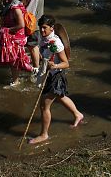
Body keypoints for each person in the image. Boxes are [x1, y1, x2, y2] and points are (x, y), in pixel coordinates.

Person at [28, 15, 84, 144]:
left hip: (56, 76)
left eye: (44, 28)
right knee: (60, 97)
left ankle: (44, 135)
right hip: (48, 74)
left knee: (43, 106)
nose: (42, 31)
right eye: (40, 28)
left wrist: (55, 65)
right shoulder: (44, 37)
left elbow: (66, 63)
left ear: (52, 28)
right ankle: (77, 114)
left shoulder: (56, 43)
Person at [0, 0, 32, 86]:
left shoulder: (16, 8)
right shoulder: (11, 3)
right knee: (16, 58)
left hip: (16, 36)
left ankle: (16, 81)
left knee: (14, 60)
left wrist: (7, 30)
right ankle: (32, 71)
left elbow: (21, 25)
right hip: (14, 36)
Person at [20, 0, 45, 70]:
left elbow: (30, 12)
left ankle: (36, 68)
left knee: (32, 45)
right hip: (37, 22)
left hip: (33, 24)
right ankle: (41, 62)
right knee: (33, 45)